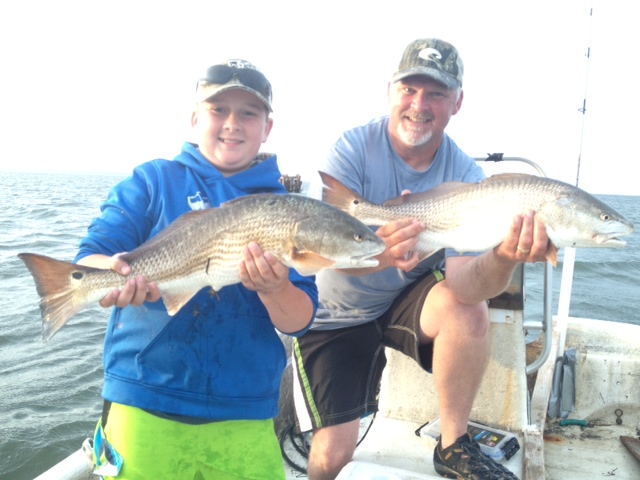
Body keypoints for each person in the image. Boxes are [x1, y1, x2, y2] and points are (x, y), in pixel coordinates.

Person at [292, 38, 549, 480]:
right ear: (390, 91)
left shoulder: (467, 176)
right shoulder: (352, 149)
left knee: (467, 309)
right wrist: (382, 255)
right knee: (332, 458)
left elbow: (468, 283)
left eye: (436, 93)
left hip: (401, 297)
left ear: (457, 103)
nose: (419, 104)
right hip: (336, 313)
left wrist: (506, 256)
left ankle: (453, 445)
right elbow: (318, 256)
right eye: (409, 89)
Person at [75, 59, 318, 480]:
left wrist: (276, 289)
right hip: (144, 399)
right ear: (194, 118)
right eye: (218, 109)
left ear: (267, 128)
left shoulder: (285, 208)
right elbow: (91, 255)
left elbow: (299, 320)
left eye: (248, 113)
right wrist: (111, 274)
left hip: (245, 410)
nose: (232, 123)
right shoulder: (154, 180)